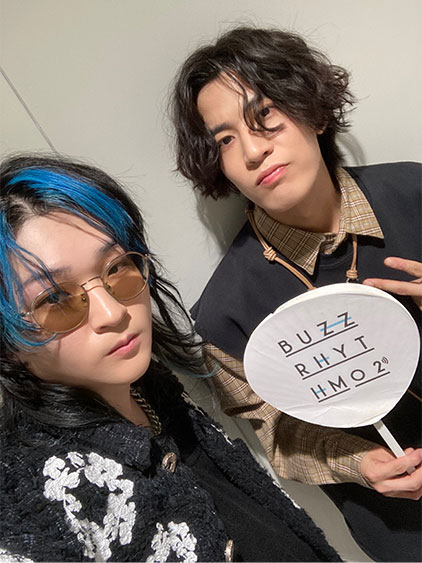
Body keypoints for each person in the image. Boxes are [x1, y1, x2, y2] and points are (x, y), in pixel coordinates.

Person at [0, 154, 344, 563]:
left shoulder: (153, 390)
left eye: (116, 268)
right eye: (56, 299)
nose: (113, 312)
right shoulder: (30, 506)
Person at [170, 26, 422, 562]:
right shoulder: (224, 314)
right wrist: (361, 464)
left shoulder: (414, 191)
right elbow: (280, 438)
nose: (254, 150)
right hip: (406, 528)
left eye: (264, 115)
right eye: (225, 140)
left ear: (313, 112)